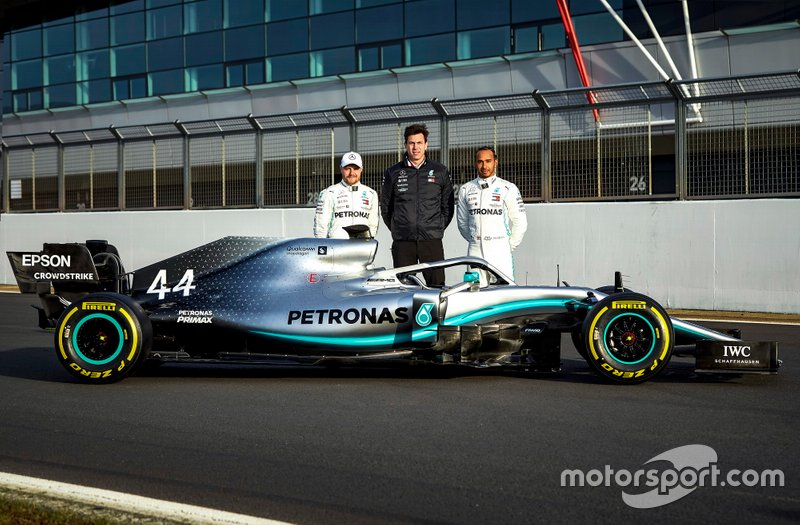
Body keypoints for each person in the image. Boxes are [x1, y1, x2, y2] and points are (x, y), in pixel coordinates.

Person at [380, 123, 454, 286]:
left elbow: (447, 206)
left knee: (436, 286)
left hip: (431, 240)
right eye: (411, 143)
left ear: (426, 144)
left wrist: (437, 227)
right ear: (406, 145)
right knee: (404, 289)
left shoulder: (440, 171)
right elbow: (386, 207)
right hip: (403, 242)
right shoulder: (393, 172)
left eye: (419, 143)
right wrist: (398, 227)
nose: (415, 147)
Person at [457, 146, 527, 282]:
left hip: (500, 251)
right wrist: (475, 239)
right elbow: (462, 223)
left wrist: (507, 245)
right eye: (480, 161)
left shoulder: (508, 188)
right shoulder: (465, 189)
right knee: (475, 294)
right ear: (475, 163)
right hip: (475, 251)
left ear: (496, 162)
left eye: (488, 161)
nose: (484, 166)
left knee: (505, 294)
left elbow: (520, 222)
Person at [314, 151, 379, 239]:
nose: (351, 173)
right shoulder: (329, 193)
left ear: (361, 169)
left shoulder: (371, 194)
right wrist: (322, 245)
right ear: (341, 169)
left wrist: (369, 241)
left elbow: (373, 224)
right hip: (336, 247)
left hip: (362, 246)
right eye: (347, 168)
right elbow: (321, 224)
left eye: (355, 168)